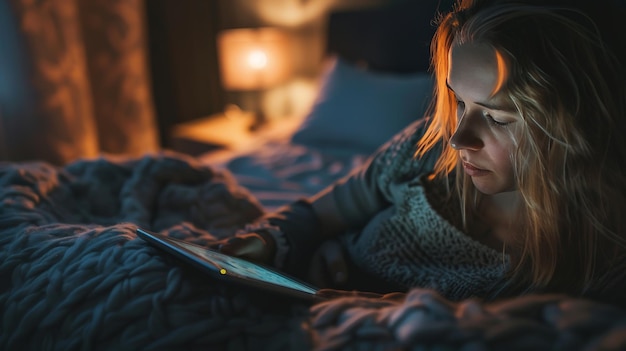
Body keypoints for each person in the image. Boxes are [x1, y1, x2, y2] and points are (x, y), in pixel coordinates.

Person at [214, 0, 626, 305]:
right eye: (460, 104)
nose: (458, 137)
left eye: (497, 119)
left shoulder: (595, 248)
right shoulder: (423, 149)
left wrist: (373, 307)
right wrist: (268, 240)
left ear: (568, 125)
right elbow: (320, 213)